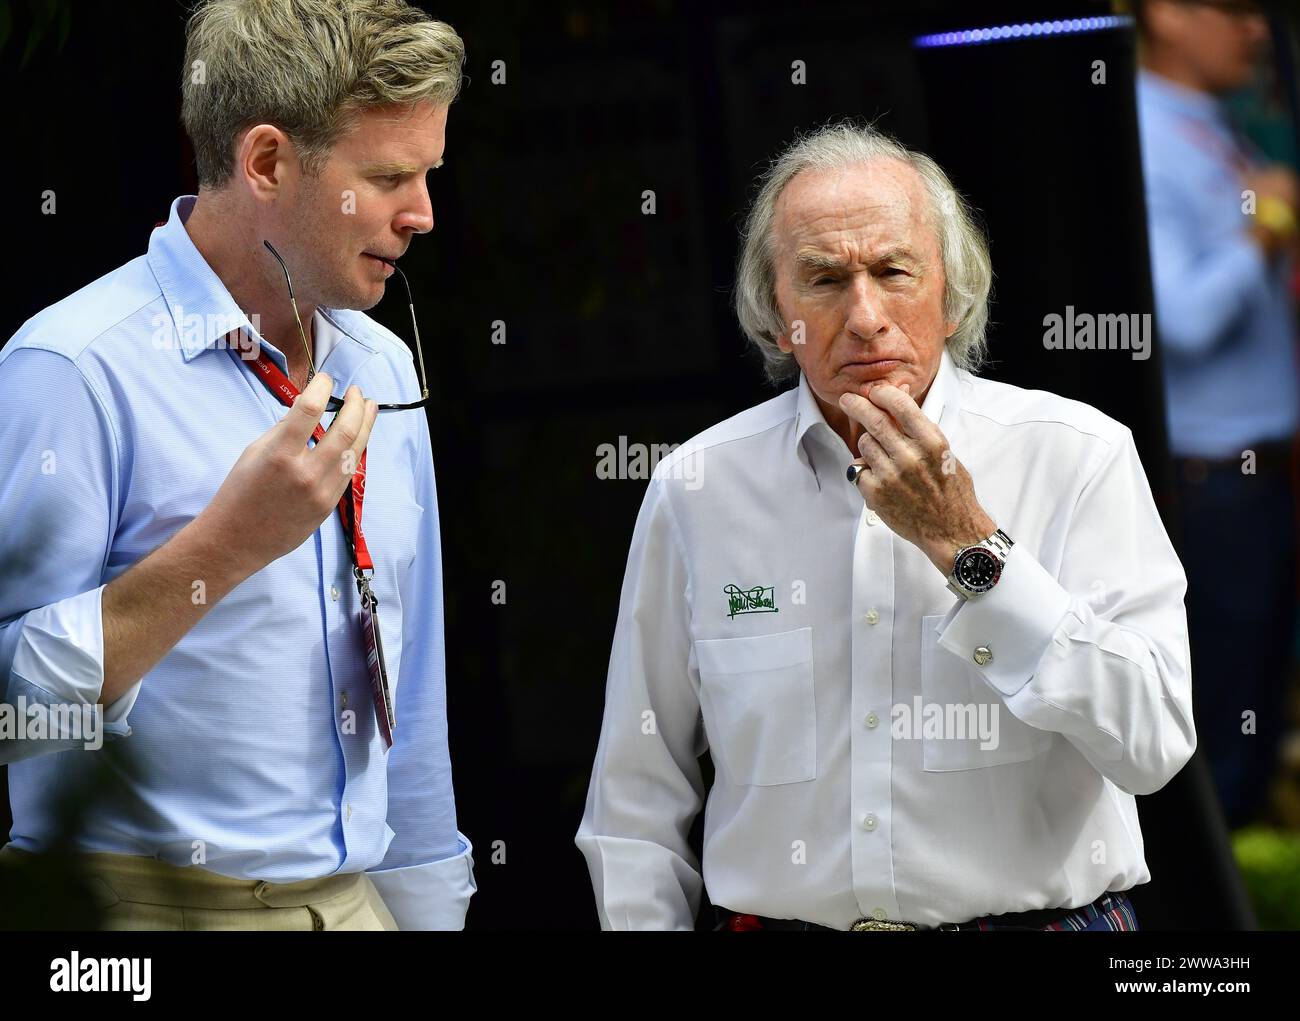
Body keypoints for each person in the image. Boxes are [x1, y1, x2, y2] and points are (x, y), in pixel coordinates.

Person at [575, 122, 1195, 931]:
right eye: (824, 279)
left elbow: (1151, 742)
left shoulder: (1077, 455)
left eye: (894, 270)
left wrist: (968, 544)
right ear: (775, 316)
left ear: (952, 295)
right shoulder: (697, 486)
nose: (866, 316)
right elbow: (635, 798)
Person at [0, 0, 473, 930]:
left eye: (428, 173)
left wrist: (427, 912)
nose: (423, 214)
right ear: (265, 162)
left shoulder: (381, 365)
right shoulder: (71, 368)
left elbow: (413, 696)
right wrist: (222, 550)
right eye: (388, 177)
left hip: (356, 907)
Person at [1133, 0, 1299, 828]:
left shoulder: (1213, 125)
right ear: (1163, 13)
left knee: (1256, 736)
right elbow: (1184, 323)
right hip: (1211, 488)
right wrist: (1265, 226)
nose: (1258, 28)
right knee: (1212, 762)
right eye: (1236, 8)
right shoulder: (1140, 128)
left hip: (1265, 478)